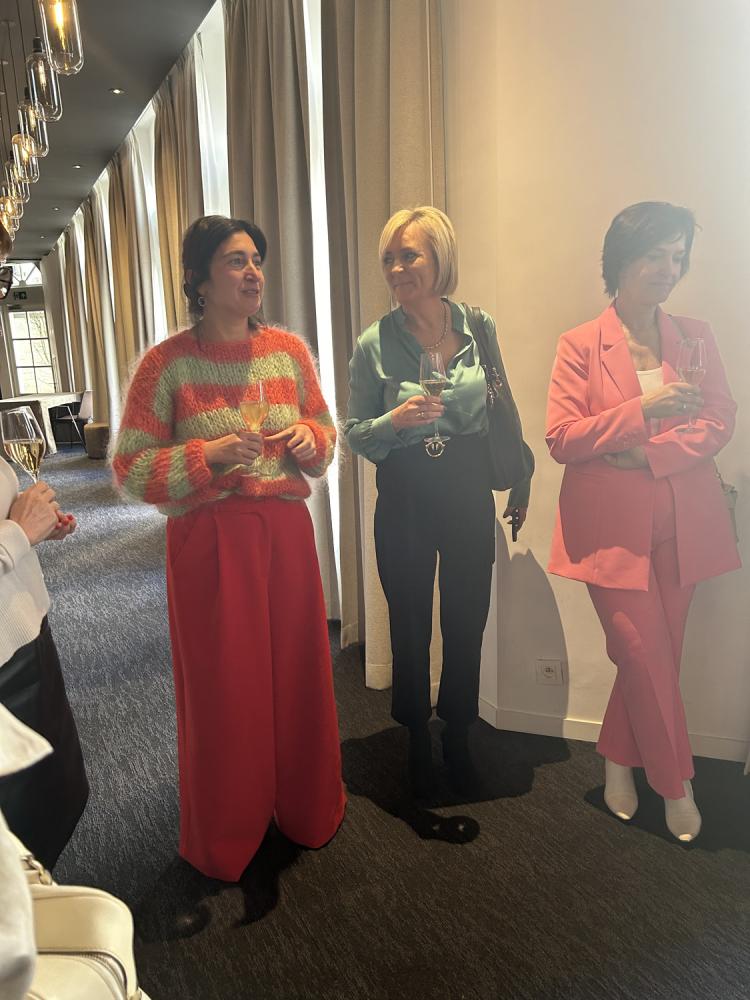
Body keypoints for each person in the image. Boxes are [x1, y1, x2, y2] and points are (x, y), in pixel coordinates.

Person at [112, 215, 345, 882]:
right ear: (200, 279)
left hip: (285, 535)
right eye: (236, 261)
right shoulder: (167, 365)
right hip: (209, 541)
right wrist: (206, 455)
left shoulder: (288, 352)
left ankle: (307, 806)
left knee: (299, 673)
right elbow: (131, 469)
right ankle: (228, 829)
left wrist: (309, 439)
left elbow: (325, 437)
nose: (252, 273)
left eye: (256, 260)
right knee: (225, 688)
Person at [546, 201, 740, 842]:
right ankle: (676, 784)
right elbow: (563, 438)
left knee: (659, 657)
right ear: (622, 259)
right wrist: (642, 410)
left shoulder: (694, 336)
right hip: (610, 532)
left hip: (686, 523)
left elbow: (718, 418)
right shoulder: (580, 344)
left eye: (677, 257)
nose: (668, 268)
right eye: (655, 254)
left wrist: (650, 454)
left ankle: (616, 759)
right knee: (643, 653)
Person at [345, 206, 532, 798]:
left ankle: (458, 732)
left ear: (440, 259)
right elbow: (354, 432)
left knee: (466, 618)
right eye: (389, 259)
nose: (397, 269)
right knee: (408, 622)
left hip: (467, 488)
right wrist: (395, 421)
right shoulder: (374, 343)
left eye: (410, 255)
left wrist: (521, 476)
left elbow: (502, 408)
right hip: (405, 493)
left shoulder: (478, 327)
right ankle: (414, 737)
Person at [0, 457, 86, 869]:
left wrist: (31, 520)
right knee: (18, 844)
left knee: (57, 801)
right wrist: (16, 534)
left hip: (27, 633)